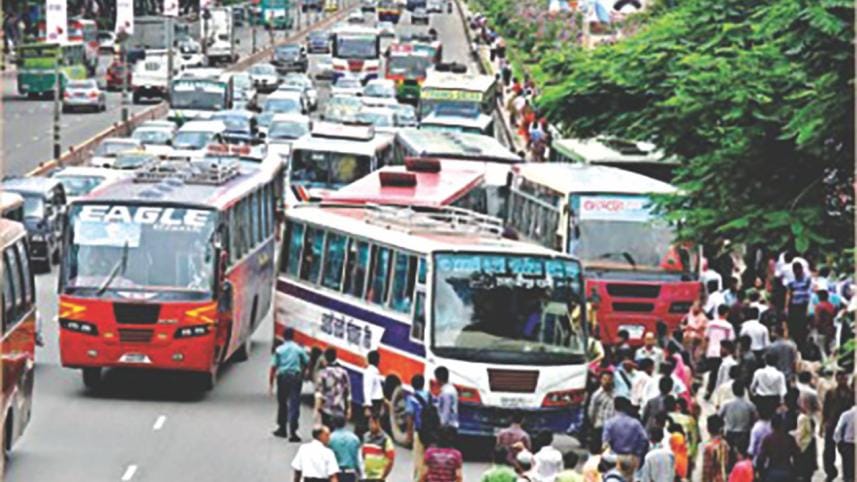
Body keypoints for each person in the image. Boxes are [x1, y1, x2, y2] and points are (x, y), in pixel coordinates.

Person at [270, 328, 310, 440]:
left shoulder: (279, 350)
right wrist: (303, 372)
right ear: (293, 336)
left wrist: (271, 383)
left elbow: (273, 366)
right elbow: (307, 361)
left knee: (282, 403)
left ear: (283, 336)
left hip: (282, 378)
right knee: (294, 403)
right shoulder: (299, 349)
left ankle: (282, 428)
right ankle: (293, 431)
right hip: (295, 378)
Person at [822, 372, 854, 482]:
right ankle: (831, 472)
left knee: (846, 451)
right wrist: (824, 423)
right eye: (839, 378)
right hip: (832, 424)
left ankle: (848, 474)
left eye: (844, 378)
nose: (842, 380)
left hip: (846, 425)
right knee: (829, 451)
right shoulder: (831, 393)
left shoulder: (852, 393)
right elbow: (825, 409)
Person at [603, 397, 648, 469]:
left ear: (615, 407)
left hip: (615, 459)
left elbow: (605, 443)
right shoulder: (635, 423)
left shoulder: (609, 423)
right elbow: (644, 440)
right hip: (631, 458)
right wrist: (637, 454)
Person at [704, 305, 736, 399]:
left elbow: (706, 337)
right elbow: (731, 340)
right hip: (722, 352)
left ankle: (709, 391)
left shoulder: (711, 323)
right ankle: (717, 392)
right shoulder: (728, 326)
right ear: (726, 313)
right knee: (720, 373)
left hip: (711, 351)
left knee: (712, 372)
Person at [316, 348, 352, 429]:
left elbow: (319, 393)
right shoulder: (343, 373)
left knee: (326, 431)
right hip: (340, 407)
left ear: (325, 358)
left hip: (326, 408)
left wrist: (317, 408)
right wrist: (349, 408)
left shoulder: (323, 373)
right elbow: (348, 392)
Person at [757, 414, 799, 482]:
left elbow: (761, 458)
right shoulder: (790, 439)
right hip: (787, 471)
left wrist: (761, 473)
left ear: (772, 426)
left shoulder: (768, 439)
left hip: (772, 472)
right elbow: (797, 456)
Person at [406, 374, 432, 480]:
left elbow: (410, 418)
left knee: (418, 458)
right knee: (428, 458)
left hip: (419, 431)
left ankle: (419, 479)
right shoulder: (430, 396)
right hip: (430, 432)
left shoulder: (412, 398)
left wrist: (409, 434)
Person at [718, 383, 756, 456]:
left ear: (733, 391)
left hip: (729, 433)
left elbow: (719, 417)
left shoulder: (726, 404)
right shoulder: (750, 405)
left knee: (729, 455)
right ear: (744, 391)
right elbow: (754, 420)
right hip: (744, 434)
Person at [792, 388, 818, 482]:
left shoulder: (802, 418)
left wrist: (793, 436)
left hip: (804, 448)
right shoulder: (810, 417)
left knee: (802, 474)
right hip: (810, 445)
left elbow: (800, 435)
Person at [361, 412, 395, 482]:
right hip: (367, 476)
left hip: (378, 477)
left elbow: (391, 460)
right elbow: (363, 454)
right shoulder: (366, 437)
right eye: (369, 423)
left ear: (378, 423)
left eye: (373, 423)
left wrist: (383, 477)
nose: (370, 425)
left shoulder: (385, 439)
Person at [785, 261, 812, 349]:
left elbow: (809, 293)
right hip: (794, 305)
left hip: (803, 305)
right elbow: (789, 293)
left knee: (803, 326)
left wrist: (809, 307)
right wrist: (786, 307)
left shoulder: (807, 279)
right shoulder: (791, 280)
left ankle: (803, 344)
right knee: (794, 325)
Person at [587, 371, 615, 454]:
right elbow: (591, 411)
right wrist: (595, 423)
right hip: (600, 426)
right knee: (597, 450)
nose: (607, 381)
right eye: (605, 379)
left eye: (609, 379)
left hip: (611, 426)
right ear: (601, 380)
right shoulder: (597, 395)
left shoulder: (615, 394)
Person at [328, 416, 361, 482]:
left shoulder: (330, 438)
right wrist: (359, 471)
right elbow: (357, 457)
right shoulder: (354, 438)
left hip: (336, 473)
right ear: (345, 423)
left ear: (333, 424)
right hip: (350, 472)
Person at [360, 350, 385, 438]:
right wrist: (368, 405)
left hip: (374, 401)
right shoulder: (371, 371)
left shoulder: (372, 371)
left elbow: (370, 388)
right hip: (374, 401)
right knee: (372, 422)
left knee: (371, 422)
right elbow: (368, 388)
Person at [701, 415, 730, 482]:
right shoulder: (724, 443)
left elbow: (707, 470)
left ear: (707, 428)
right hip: (723, 478)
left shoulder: (709, 447)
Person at [835, 405, 857, 482]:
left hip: (848, 444)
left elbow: (838, 431)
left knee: (848, 471)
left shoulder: (847, 415)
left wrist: (839, 443)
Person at [813, 289, 837, 355]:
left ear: (820, 297)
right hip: (831, 329)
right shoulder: (832, 305)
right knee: (830, 349)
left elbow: (817, 319)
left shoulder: (819, 306)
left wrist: (814, 327)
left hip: (822, 330)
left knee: (822, 350)